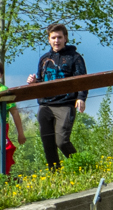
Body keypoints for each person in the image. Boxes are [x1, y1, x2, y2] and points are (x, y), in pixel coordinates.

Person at [26, 23, 87, 170]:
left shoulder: (75, 57)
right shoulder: (44, 59)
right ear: (48, 39)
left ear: (65, 38)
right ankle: (55, 174)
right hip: (45, 105)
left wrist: (81, 98)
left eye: (59, 37)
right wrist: (34, 82)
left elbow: (83, 80)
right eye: (53, 37)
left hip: (65, 104)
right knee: (48, 144)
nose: (56, 41)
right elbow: (41, 80)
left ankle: (84, 167)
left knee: (62, 141)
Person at [0, 65, 27, 175]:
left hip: (1, 127)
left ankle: (5, 177)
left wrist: (21, 133)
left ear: (0, 75)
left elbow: (14, 112)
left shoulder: (3, 90)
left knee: (4, 152)